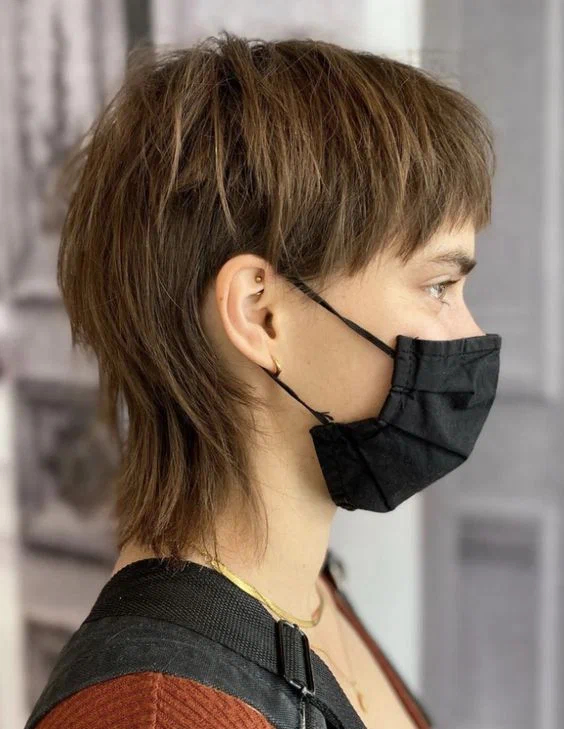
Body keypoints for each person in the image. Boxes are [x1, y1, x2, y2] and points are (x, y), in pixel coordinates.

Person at [27, 31, 501, 729]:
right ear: (262, 315)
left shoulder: (305, 593)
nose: (469, 333)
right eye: (438, 287)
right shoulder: (154, 715)